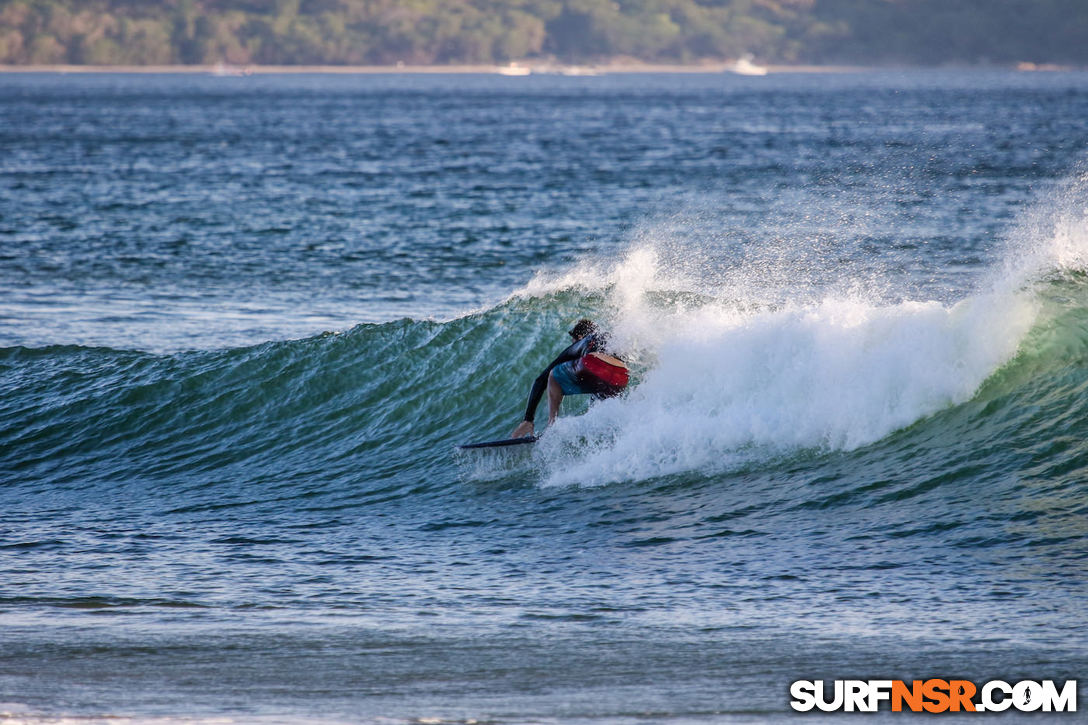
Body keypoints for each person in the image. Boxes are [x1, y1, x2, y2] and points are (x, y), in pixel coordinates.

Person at [510, 319, 628, 439]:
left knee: (553, 374)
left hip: (594, 363)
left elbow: (540, 380)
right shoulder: (611, 340)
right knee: (598, 401)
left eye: (573, 341)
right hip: (621, 376)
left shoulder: (585, 340)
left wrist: (528, 419)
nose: (573, 344)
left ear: (580, 336)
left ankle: (551, 428)